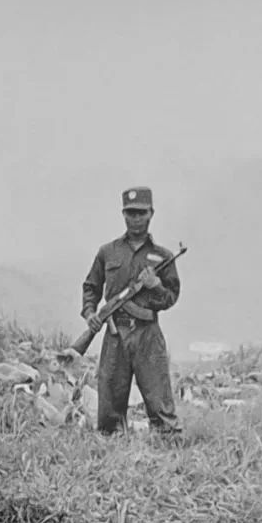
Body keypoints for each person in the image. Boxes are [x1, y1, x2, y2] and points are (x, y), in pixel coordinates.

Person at [81, 186, 182, 437]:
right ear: (123, 214)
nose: (136, 219)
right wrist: (90, 313)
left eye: (141, 213)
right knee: (110, 401)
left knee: (159, 398)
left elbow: (171, 297)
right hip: (116, 334)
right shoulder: (108, 252)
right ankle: (111, 447)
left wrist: (155, 285)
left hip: (148, 334)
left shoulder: (163, 256)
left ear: (151, 214)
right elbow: (91, 287)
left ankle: (167, 446)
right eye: (131, 213)